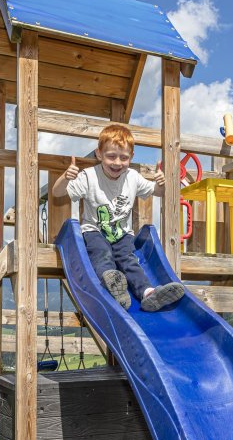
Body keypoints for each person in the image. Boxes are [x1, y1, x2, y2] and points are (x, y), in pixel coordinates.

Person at [52, 123, 185, 312]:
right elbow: (57, 192)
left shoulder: (133, 177)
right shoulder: (89, 176)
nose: (117, 162)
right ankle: (111, 283)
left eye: (124, 157)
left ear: (131, 157)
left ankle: (148, 293)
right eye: (111, 156)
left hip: (123, 235)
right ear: (99, 154)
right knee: (102, 254)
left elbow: (157, 192)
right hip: (94, 231)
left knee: (129, 261)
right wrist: (66, 177)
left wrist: (160, 184)